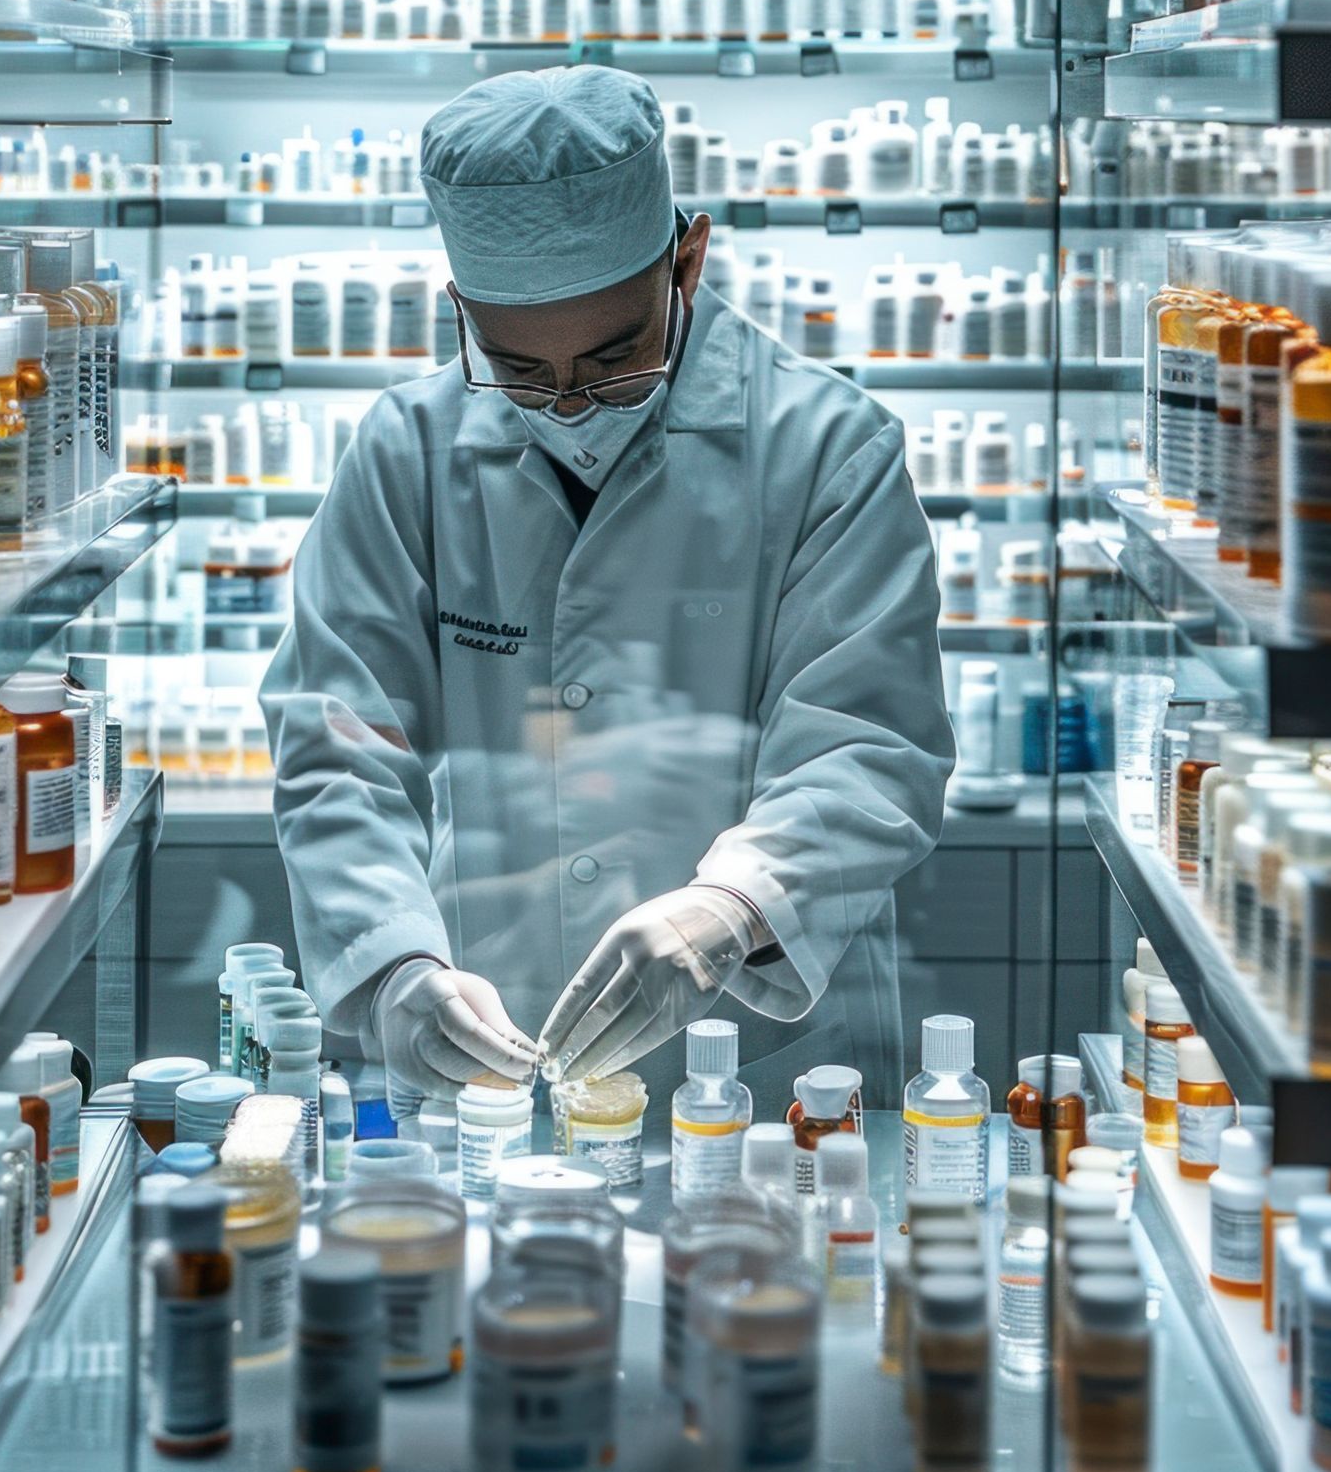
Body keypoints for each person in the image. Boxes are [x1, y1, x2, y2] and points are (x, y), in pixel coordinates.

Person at [261, 66, 951, 1116]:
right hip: (489, 1030)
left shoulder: (825, 449)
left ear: (688, 259)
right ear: (461, 310)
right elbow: (339, 745)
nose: (572, 404)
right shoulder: (407, 451)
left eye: (614, 360)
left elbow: (867, 745)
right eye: (522, 371)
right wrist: (396, 967)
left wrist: (731, 909)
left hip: (754, 1052)